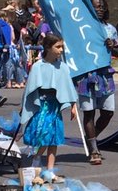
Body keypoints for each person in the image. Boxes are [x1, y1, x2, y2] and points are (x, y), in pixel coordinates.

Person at [20, 33, 78, 180]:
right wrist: (27, 106)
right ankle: (36, 164)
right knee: (43, 136)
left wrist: (73, 105)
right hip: (42, 107)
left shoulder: (63, 67)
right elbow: (30, 90)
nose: (61, 50)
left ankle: (50, 170)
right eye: (57, 47)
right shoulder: (38, 66)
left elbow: (68, 88)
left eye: (62, 47)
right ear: (48, 47)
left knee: (54, 139)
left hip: (55, 107)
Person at [74, 0, 118, 166]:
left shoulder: (110, 29)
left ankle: (90, 138)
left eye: (102, 6)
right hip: (87, 75)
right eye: (95, 7)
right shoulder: (81, 29)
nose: (99, 9)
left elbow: (117, 52)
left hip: (105, 75)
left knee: (108, 112)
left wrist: (112, 46)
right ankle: (94, 149)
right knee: (89, 112)